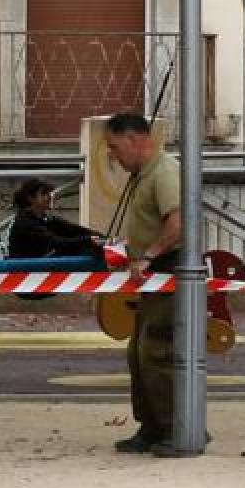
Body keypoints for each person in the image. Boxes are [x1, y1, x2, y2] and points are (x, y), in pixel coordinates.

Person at [103, 112, 188, 455]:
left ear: (135, 140)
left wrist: (150, 254)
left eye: (114, 146)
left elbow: (178, 222)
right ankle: (151, 427)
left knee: (158, 350)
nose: (112, 154)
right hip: (151, 275)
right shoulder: (145, 175)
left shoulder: (165, 171)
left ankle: (175, 428)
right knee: (138, 352)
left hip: (168, 271)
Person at [7, 177, 103, 259]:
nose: (49, 197)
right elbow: (57, 243)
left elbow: (74, 230)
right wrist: (89, 240)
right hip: (23, 272)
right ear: (30, 198)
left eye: (49, 193)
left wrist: (101, 237)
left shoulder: (47, 219)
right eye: (44, 193)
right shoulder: (24, 222)